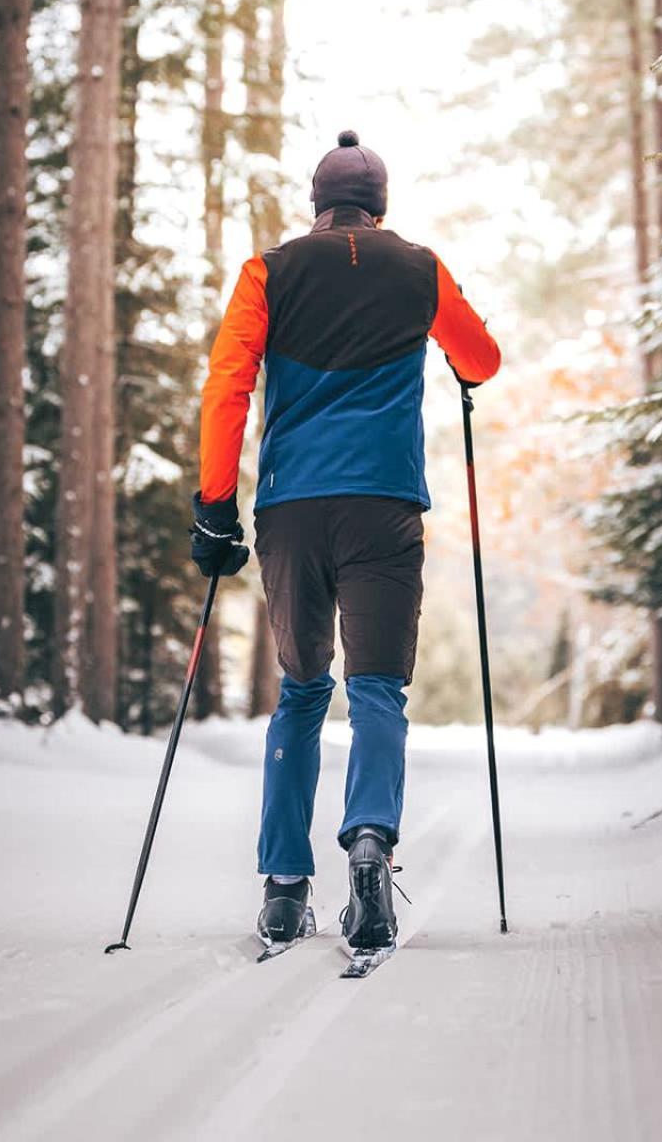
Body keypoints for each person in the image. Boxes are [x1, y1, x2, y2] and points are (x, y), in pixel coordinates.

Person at [190, 129, 501, 952]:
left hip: (291, 511)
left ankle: (285, 890)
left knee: (300, 691)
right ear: (380, 204)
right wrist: (454, 357)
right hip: (384, 507)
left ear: (318, 204)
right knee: (376, 692)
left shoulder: (269, 270)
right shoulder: (420, 268)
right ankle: (370, 848)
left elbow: (228, 385)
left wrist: (213, 506)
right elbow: (482, 359)